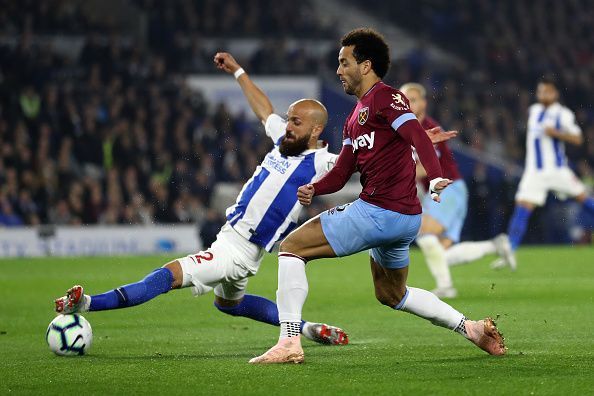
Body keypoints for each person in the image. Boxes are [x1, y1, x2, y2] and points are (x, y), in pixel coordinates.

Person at [53, 52, 350, 346]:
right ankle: (308, 328)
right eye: (289, 120)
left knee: (165, 277)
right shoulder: (283, 142)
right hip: (235, 243)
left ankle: (87, 303)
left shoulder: (323, 162)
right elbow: (264, 110)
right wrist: (238, 72)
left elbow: (359, 163)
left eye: (296, 122)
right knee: (228, 304)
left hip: (235, 251)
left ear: (315, 130)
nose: (288, 126)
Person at [249, 28, 505, 364]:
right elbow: (343, 171)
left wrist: (437, 174)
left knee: (292, 248)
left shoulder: (387, 97)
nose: (338, 70)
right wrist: (316, 187)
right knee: (391, 293)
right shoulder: (355, 118)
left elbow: (417, 136)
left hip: (378, 211)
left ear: (366, 65)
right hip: (402, 220)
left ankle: (289, 342)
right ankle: (471, 328)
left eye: (344, 62)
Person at [401, 82, 514, 298]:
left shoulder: (429, 129)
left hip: (449, 190)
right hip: (444, 192)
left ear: (424, 102)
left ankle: (446, 288)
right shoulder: (408, 129)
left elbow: (425, 168)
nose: (408, 104)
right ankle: (495, 246)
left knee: (424, 234)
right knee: (442, 253)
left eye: (413, 99)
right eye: (405, 100)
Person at [490, 76, 594, 269]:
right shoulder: (534, 110)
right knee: (522, 208)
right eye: (540, 91)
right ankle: (509, 252)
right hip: (534, 173)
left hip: (557, 170)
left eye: (546, 91)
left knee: (583, 199)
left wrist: (556, 133)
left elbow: (578, 139)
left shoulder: (563, 114)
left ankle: (510, 249)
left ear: (555, 93)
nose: (542, 95)